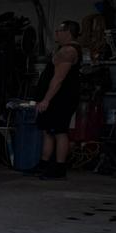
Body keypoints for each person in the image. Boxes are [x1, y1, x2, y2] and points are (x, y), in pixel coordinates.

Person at [34, 20, 82, 179]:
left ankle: (60, 169)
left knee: (60, 132)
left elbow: (58, 79)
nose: (56, 34)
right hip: (55, 98)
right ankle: (44, 164)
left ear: (68, 32)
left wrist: (46, 99)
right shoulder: (62, 50)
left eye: (58, 31)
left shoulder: (69, 51)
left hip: (61, 99)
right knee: (48, 131)